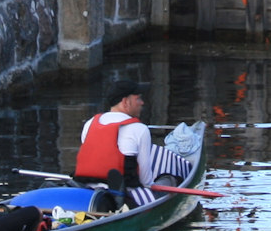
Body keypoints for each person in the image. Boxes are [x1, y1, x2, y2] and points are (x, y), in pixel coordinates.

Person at [75, 79, 192, 207]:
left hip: (87, 189)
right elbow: (146, 181)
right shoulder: (139, 129)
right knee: (169, 179)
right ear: (126, 102)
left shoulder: (90, 123)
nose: (142, 103)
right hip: (125, 195)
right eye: (138, 98)